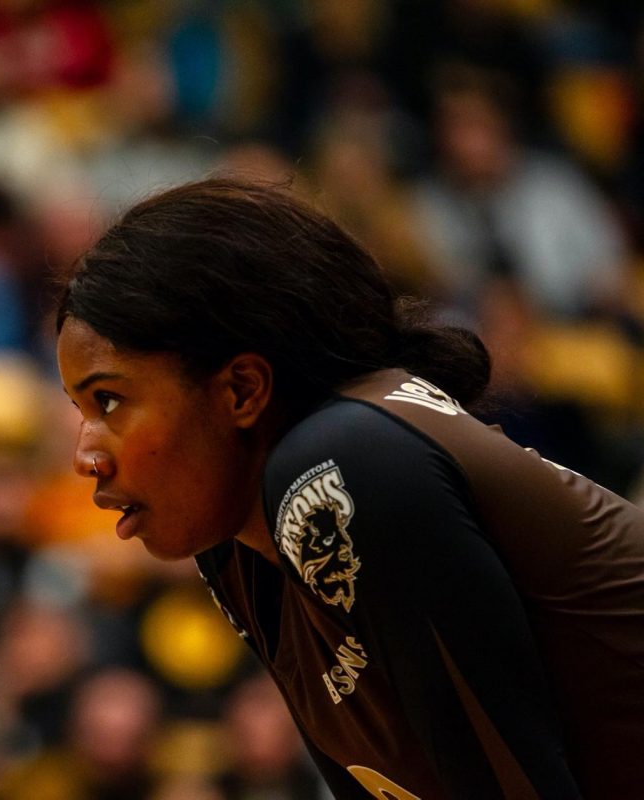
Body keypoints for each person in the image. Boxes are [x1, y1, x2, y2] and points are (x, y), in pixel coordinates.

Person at [54, 178, 644, 798]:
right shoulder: (240, 545)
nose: (85, 454)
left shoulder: (340, 461)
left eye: (110, 400)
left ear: (242, 390)